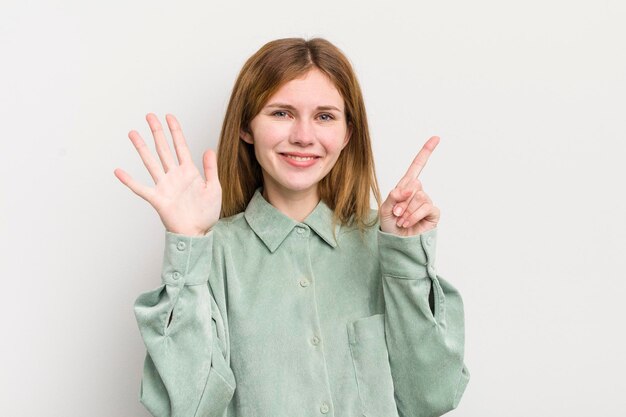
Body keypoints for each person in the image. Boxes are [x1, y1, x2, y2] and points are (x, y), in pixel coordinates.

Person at [114, 37, 469, 417]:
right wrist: (187, 243)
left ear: (348, 133)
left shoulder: (385, 243)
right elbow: (191, 406)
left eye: (325, 116)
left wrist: (405, 262)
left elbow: (431, 396)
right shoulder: (211, 254)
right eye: (281, 113)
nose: (303, 136)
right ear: (247, 127)